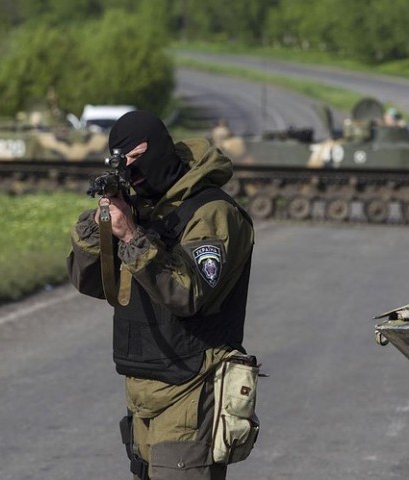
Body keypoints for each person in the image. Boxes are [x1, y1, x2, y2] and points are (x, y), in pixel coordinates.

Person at [66, 111, 256, 480]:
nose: (133, 170)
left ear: (161, 150)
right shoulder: (144, 206)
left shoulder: (212, 212)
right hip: (144, 384)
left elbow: (187, 294)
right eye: (123, 161)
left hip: (192, 384)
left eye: (138, 157)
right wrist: (98, 227)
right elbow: (91, 282)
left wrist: (132, 235)